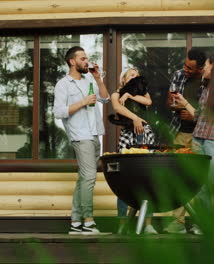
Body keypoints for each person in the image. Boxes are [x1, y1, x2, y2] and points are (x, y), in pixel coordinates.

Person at [173, 54, 214, 235]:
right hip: (198, 139)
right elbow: (198, 116)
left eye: (207, 65)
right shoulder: (206, 88)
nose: (204, 68)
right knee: (200, 186)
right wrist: (184, 102)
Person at [53, 46, 110, 235]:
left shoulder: (89, 80)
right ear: (72, 61)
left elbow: (105, 98)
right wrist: (83, 102)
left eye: (87, 58)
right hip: (80, 135)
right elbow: (58, 112)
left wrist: (98, 79)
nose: (87, 61)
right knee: (90, 178)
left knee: (83, 179)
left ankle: (75, 223)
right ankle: (88, 221)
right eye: (83, 59)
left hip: (94, 134)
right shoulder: (63, 84)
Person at [110, 67, 158, 234]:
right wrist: (135, 117)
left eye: (137, 74)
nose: (135, 76)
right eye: (131, 74)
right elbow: (118, 108)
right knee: (124, 180)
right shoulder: (116, 94)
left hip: (145, 136)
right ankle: (123, 223)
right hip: (128, 137)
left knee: (148, 179)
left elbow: (148, 102)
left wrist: (129, 95)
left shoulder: (142, 93)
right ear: (123, 80)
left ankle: (148, 224)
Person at [164, 48, 206, 234]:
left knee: (198, 179)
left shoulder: (208, 80)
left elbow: (212, 113)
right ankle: (178, 223)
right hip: (179, 132)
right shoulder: (178, 75)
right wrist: (173, 104)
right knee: (178, 177)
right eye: (185, 65)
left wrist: (193, 116)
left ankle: (201, 222)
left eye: (190, 68)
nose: (185, 70)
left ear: (200, 68)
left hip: (201, 135)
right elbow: (168, 103)